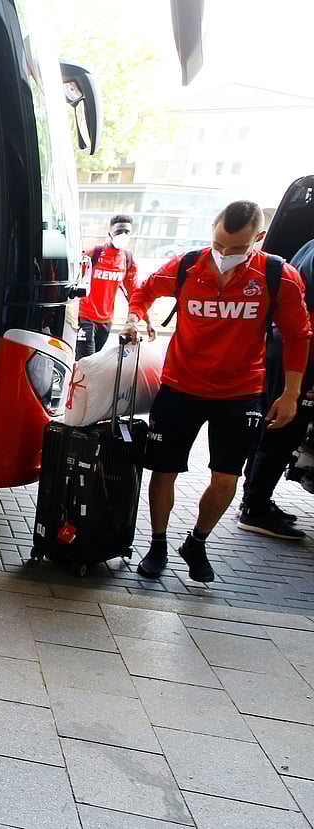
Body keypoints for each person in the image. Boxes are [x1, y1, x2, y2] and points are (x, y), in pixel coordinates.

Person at [122, 200, 311, 583]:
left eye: (237, 248)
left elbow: (297, 336)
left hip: (240, 393)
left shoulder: (279, 276)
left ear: (258, 238)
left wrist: (290, 394)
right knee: (164, 469)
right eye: (220, 244)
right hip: (179, 387)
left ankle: (197, 541)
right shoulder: (187, 266)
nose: (225, 254)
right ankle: (157, 543)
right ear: (213, 228)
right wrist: (134, 318)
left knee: (226, 477)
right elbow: (142, 291)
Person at [238, 237, 314, 539]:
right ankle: (255, 509)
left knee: (270, 424)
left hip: (280, 344)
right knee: (284, 427)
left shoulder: (308, 244)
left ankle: (254, 499)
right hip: (300, 348)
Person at [77, 215, 141, 359]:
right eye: (119, 232)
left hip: (106, 321)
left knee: (96, 359)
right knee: (85, 361)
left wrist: (145, 321)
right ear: (110, 234)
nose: (123, 235)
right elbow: (74, 278)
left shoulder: (128, 259)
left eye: (127, 232)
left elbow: (135, 293)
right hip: (85, 316)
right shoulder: (94, 253)